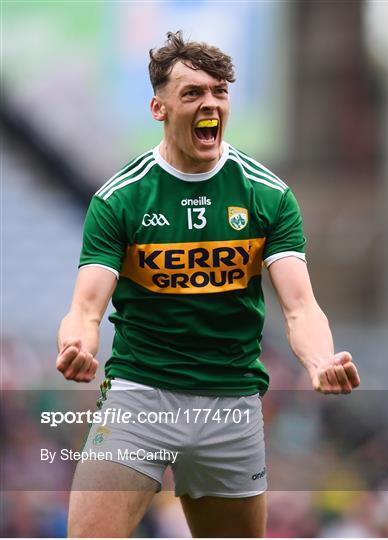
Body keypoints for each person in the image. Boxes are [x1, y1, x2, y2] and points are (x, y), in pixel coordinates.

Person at [56, 30, 360, 538]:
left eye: (219, 92)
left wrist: (320, 361)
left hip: (232, 403)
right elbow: (85, 308)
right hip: (140, 397)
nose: (210, 103)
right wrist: (77, 345)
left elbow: (301, 307)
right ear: (159, 107)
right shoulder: (120, 199)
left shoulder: (267, 195)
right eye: (193, 93)